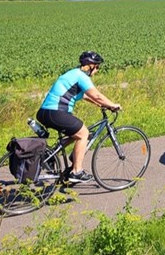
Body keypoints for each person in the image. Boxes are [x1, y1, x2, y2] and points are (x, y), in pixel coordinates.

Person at [37, 50, 121, 183]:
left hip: (46, 112)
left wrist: (102, 105)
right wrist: (113, 104)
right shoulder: (81, 76)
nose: (97, 70)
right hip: (56, 112)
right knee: (83, 133)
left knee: (76, 133)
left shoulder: (73, 73)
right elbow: (97, 95)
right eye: (97, 67)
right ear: (90, 65)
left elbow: (86, 96)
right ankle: (76, 172)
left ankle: (52, 154)